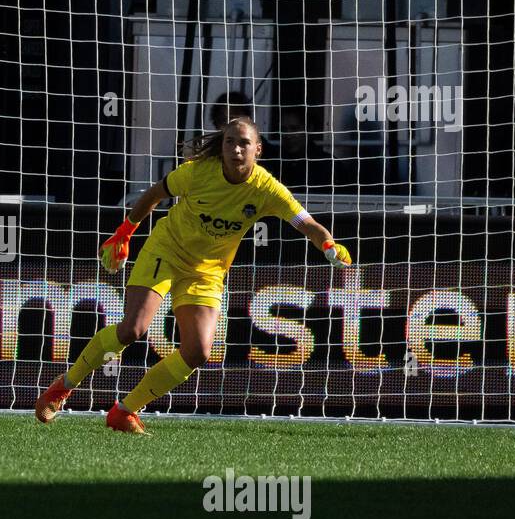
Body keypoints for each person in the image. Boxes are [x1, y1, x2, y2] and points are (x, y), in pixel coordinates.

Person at [34, 116, 354, 434]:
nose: (236, 149)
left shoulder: (267, 189)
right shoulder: (198, 172)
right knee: (132, 329)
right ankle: (63, 387)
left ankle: (124, 410)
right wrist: (124, 233)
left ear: (258, 149)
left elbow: (306, 223)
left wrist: (328, 244)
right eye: (230, 141)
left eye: (244, 143)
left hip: (206, 272)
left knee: (198, 351)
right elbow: (154, 194)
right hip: (166, 252)